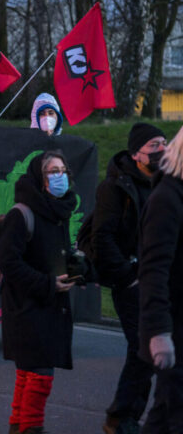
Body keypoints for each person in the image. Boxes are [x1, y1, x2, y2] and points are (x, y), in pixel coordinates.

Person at [0, 151, 77, 434]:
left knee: (28, 372)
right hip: (26, 305)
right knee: (40, 374)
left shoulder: (60, 211)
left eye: (63, 170)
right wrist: (46, 284)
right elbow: (7, 261)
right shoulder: (22, 213)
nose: (60, 176)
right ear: (39, 178)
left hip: (51, 303)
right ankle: (31, 427)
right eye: (52, 171)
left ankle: (18, 425)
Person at [94, 122, 165, 434]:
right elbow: (102, 238)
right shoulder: (115, 188)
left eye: (164, 143)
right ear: (137, 154)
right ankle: (121, 416)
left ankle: (142, 416)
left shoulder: (167, 184)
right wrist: (128, 276)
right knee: (144, 348)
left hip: (160, 281)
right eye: (153, 146)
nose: (161, 150)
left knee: (157, 350)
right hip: (132, 283)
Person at [137, 125, 183, 432]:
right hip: (174, 329)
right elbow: (153, 269)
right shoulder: (167, 198)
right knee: (171, 415)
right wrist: (158, 333)